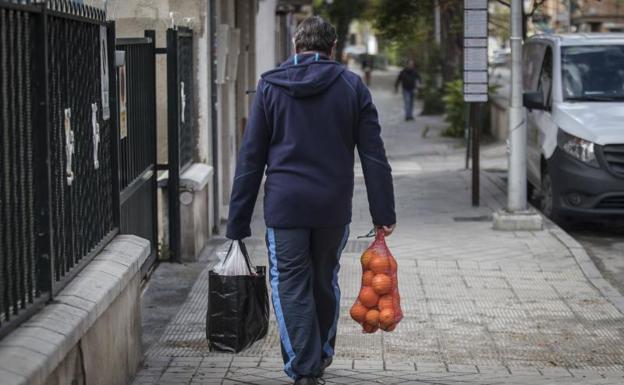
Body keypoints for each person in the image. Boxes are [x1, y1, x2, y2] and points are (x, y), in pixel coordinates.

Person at [226, 16, 396, 385]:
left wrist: (237, 221)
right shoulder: (352, 87)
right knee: (323, 281)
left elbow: (251, 158)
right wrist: (384, 213)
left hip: (285, 209)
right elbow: (373, 155)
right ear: (333, 48)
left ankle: (305, 368)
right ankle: (319, 356)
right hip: (333, 209)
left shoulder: (270, 88)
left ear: (295, 46)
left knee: (289, 285)